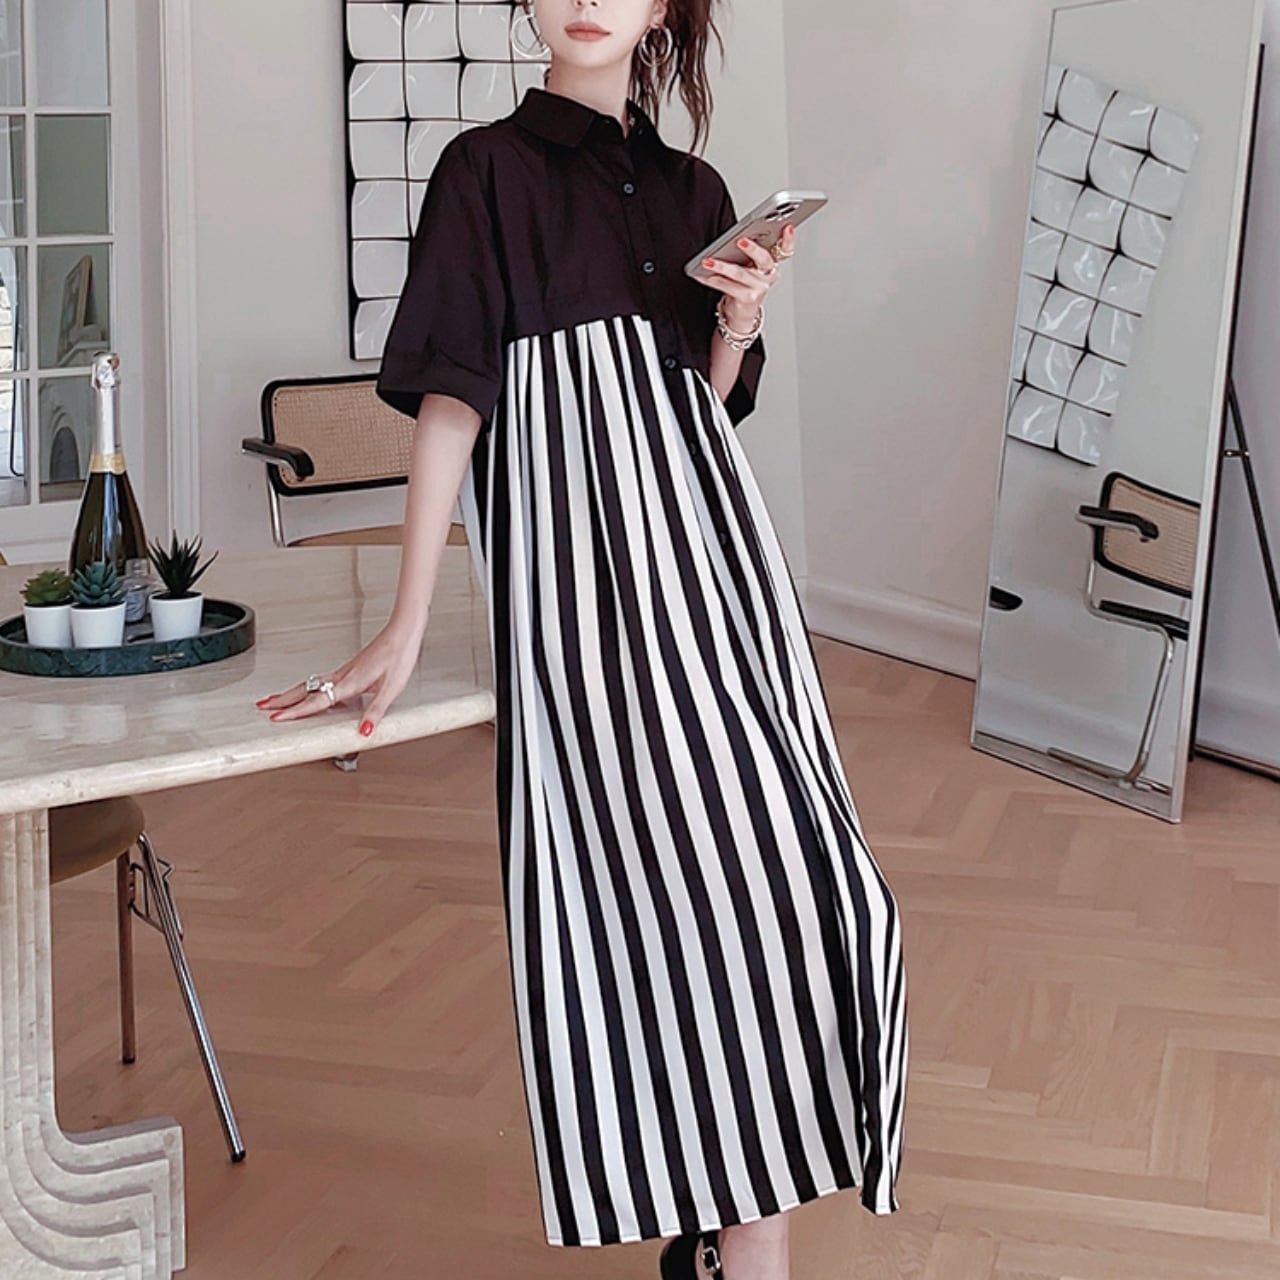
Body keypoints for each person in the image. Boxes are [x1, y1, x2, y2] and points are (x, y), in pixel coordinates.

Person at [255, 1, 908, 1276]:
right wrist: (406, 613)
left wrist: (737, 323)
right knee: (666, 911)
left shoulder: (694, 190)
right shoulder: (482, 171)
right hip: (579, 595)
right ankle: (737, 1245)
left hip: (718, 575)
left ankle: (727, 1237)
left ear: (662, 5)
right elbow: (453, 403)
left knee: (808, 892)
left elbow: (696, 420)